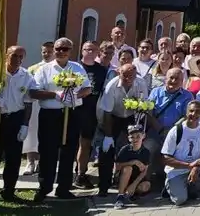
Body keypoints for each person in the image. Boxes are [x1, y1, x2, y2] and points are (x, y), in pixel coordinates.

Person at [31, 36, 92, 202]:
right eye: (58, 49)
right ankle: (44, 187)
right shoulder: (44, 69)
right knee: (47, 152)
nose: (60, 52)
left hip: (72, 113)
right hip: (50, 115)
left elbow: (87, 88)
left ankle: (64, 188)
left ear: (70, 51)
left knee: (68, 151)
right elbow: (34, 92)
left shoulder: (77, 68)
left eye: (64, 49)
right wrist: (55, 95)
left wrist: (74, 94)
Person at [0, 45, 37, 204]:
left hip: (15, 118)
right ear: (6, 56)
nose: (17, 59)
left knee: (13, 158)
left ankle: (8, 191)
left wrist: (25, 124)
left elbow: (28, 102)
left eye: (20, 56)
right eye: (14, 56)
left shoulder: (26, 76)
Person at [96, 62, 148, 197]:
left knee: (133, 149)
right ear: (119, 73)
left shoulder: (141, 83)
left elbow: (144, 105)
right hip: (112, 118)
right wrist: (108, 135)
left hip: (132, 117)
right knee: (106, 151)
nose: (128, 78)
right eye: (125, 75)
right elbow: (106, 112)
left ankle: (128, 186)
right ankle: (103, 186)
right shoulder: (111, 86)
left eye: (132, 75)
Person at [161, 100, 200, 205]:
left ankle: (190, 187)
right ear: (186, 112)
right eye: (191, 111)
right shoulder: (176, 130)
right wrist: (189, 165)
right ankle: (169, 186)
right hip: (176, 170)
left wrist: (196, 167)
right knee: (180, 200)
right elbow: (165, 158)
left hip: (195, 168)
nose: (194, 114)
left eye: (197, 112)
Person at [144, 68, 195, 185]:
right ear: (165, 79)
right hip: (155, 132)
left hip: (176, 134)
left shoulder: (188, 96)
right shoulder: (155, 92)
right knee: (148, 151)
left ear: (182, 81)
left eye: (177, 78)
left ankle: (174, 183)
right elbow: (149, 113)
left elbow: (187, 116)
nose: (173, 80)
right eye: (171, 78)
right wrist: (160, 129)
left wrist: (171, 131)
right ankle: (144, 182)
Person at [76, 41, 109, 189]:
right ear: (82, 51)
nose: (89, 52)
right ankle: (68, 173)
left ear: (97, 53)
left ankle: (81, 174)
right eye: (86, 49)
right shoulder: (75, 67)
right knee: (69, 144)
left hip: (92, 112)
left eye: (93, 50)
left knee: (86, 144)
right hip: (74, 110)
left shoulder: (102, 70)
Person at [24, 41, 55, 175]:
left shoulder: (57, 69)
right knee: (32, 132)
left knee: (45, 134)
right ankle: (30, 161)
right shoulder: (33, 68)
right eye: (44, 52)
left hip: (49, 105)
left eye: (50, 52)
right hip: (35, 104)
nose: (47, 54)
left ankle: (41, 161)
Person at [112, 125, 151, 209]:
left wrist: (134, 184)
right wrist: (133, 162)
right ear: (129, 138)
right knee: (128, 168)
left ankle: (131, 193)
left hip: (135, 178)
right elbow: (117, 167)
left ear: (143, 136)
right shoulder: (125, 149)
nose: (135, 139)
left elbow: (145, 171)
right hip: (123, 177)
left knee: (146, 186)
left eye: (138, 136)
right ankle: (120, 197)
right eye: (132, 137)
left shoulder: (146, 152)